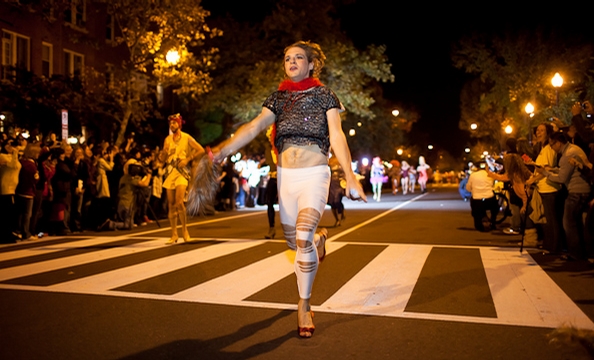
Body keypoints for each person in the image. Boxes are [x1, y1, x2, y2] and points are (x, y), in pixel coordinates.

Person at [210, 41, 366, 338]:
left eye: (298, 58)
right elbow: (254, 127)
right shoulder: (278, 99)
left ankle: (304, 304)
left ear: (311, 65)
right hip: (286, 177)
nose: (292, 61)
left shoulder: (325, 97)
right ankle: (319, 239)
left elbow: (337, 135)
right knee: (295, 243)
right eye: (287, 58)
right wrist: (222, 150)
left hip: (315, 174)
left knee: (303, 234)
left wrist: (351, 176)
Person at [536, 132, 591, 261]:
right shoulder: (573, 149)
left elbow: (561, 178)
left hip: (576, 191)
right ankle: (581, 252)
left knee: (568, 223)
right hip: (582, 189)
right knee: (576, 223)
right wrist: (552, 169)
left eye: (552, 144)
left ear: (558, 142)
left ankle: (575, 254)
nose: (551, 147)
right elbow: (565, 170)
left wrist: (544, 172)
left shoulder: (568, 154)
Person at [160, 113, 205, 244]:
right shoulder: (167, 140)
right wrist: (163, 152)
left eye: (174, 123)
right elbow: (162, 159)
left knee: (179, 202)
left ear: (179, 124)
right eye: (170, 123)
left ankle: (185, 231)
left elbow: (201, 150)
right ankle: (174, 234)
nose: (172, 125)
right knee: (171, 204)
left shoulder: (186, 138)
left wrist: (188, 159)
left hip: (182, 173)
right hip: (170, 172)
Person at [15, 142, 41, 240]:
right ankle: (26, 232)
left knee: (19, 213)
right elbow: (35, 179)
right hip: (28, 191)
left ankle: (18, 231)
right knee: (27, 214)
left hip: (19, 190)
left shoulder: (21, 162)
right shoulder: (31, 165)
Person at [0, 138, 22, 243]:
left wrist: (15, 153)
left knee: (12, 213)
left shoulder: (12, 156)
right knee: (7, 213)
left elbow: (16, 165)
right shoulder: (2, 156)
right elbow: (12, 165)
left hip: (13, 188)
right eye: (8, 144)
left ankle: (10, 232)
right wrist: (15, 153)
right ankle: (5, 234)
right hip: (6, 188)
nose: (10, 146)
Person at [466, 161, 498, 232]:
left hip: (477, 200)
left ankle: (478, 225)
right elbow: (493, 185)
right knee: (495, 208)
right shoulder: (490, 175)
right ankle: (493, 222)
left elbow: (468, 188)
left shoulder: (473, 175)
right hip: (489, 199)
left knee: (475, 209)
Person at [328, 154, 346, 227]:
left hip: (339, 183)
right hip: (331, 184)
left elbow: (345, 172)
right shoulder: (329, 161)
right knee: (332, 202)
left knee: (337, 201)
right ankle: (337, 220)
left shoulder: (341, 160)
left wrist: (345, 181)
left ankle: (341, 212)